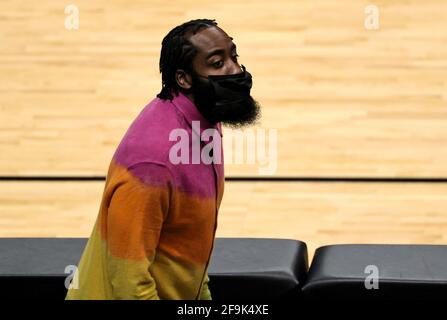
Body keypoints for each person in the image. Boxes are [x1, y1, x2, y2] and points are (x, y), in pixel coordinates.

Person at [65, 18, 260, 300]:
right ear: (184, 79)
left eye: (234, 56)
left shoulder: (204, 118)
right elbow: (129, 283)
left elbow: (188, 238)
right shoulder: (151, 166)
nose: (236, 70)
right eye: (218, 64)